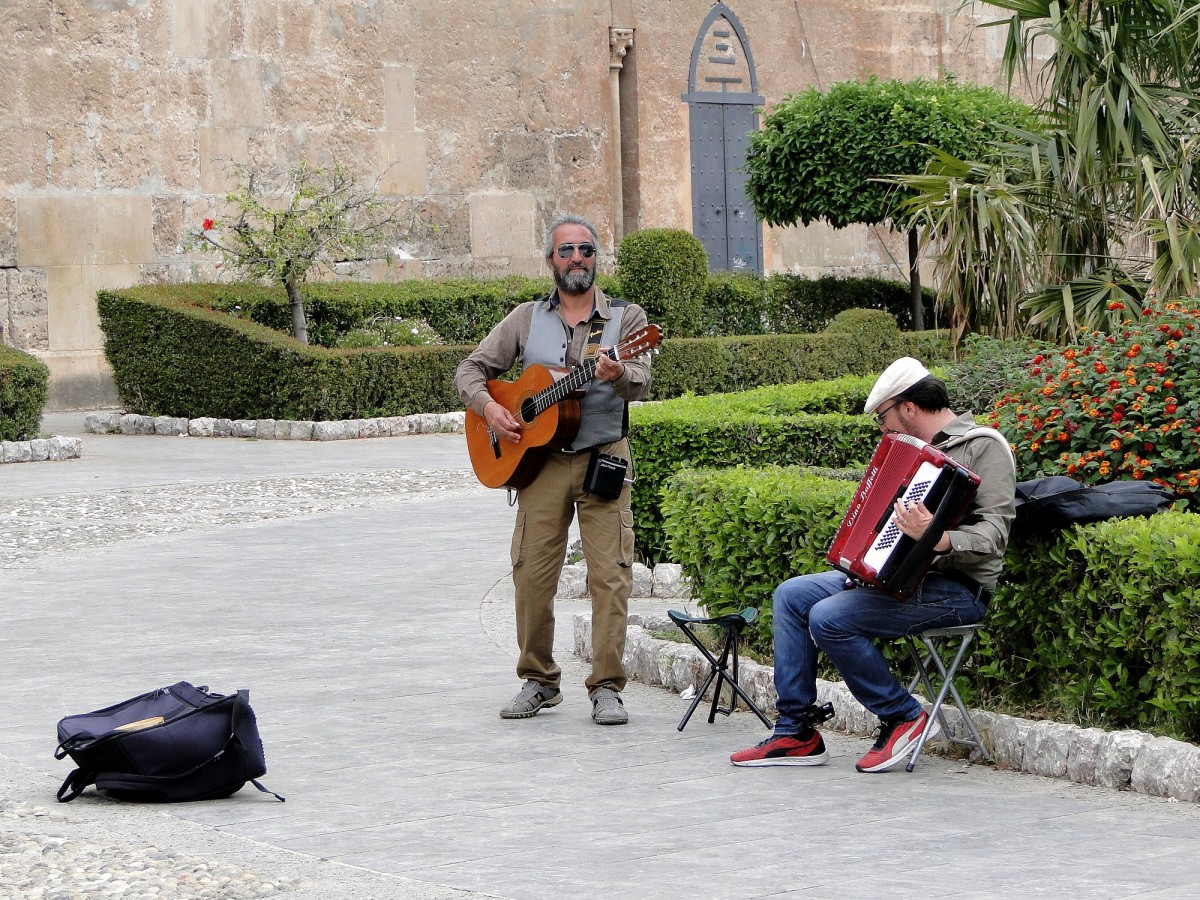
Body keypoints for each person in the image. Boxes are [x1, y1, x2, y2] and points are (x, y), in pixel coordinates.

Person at [731, 357, 1016, 772]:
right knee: (792, 595)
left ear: (908, 407)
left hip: (957, 589)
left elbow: (995, 535)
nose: (882, 428)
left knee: (829, 617)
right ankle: (796, 732)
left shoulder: (983, 445)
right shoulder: (908, 452)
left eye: (883, 416)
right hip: (899, 579)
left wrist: (934, 537)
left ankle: (904, 715)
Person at [454, 214, 652, 726]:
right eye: (566, 251)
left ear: (596, 259)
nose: (576, 259)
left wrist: (619, 371)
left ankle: (606, 686)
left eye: (585, 250)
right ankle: (538, 680)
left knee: (610, 576)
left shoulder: (625, 321)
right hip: (538, 463)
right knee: (532, 576)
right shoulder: (525, 317)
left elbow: (641, 382)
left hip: (603, 457)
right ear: (551, 262)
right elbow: (470, 370)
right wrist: (490, 409)